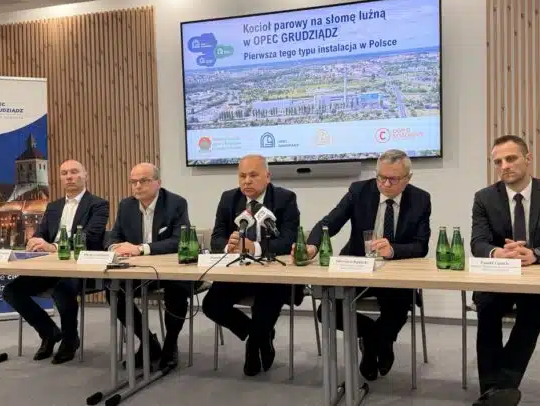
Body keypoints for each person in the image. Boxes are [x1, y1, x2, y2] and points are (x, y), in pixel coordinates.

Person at [307, 149, 431, 381]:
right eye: (381, 177)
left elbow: (420, 245)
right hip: (357, 266)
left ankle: (373, 345)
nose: (385, 184)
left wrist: (393, 250)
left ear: (408, 178)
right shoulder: (359, 191)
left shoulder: (420, 199)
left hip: (395, 272)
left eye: (393, 179)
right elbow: (328, 223)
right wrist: (312, 246)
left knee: (398, 308)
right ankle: (376, 339)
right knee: (327, 311)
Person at [470, 135, 540, 406]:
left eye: (511, 158)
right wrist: (498, 253)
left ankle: (496, 389)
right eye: (498, 162)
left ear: (528, 158)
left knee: (534, 308)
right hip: (499, 277)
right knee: (487, 307)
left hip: (537, 279)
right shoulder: (484, 198)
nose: (504, 165)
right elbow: (478, 242)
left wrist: (534, 254)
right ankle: (496, 391)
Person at [201, 154, 300, 376]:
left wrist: (253, 247)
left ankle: (254, 345)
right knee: (211, 305)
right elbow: (216, 237)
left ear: (267, 176)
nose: (247, 181)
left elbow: (288, 241)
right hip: (237, 273)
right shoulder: (229, 198)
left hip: (273, 276)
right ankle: (260, 336)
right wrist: (229, 245)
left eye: (253, 175)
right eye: (242, 176)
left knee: (267, 303)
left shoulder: (285, 199)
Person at [3, 159, 109, 364]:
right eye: (64, 173)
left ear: (85, 175)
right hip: (50, 267)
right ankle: (49, 332)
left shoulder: (98, 204)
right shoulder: (53, 206)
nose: (69, 177)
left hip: (81, 267)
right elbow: (42, 233)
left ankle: (70, 339)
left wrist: (54, 247)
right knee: (11, 291)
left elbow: (91, 237)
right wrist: (35, 241)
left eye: (74, 172)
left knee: (62, 289)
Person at [107, 162, 191, 372]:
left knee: (177, 290)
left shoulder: (176, 203)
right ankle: (148, 342)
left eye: (143, 181)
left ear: (158, 183)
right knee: (113, 290)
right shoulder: (126, 206)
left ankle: (170, 345)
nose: (137, 186)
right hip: (137, 271)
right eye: (133, 181)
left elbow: (179, 240)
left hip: (170, 271)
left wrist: (141, 249)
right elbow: (114, 236)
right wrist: (115, 247)